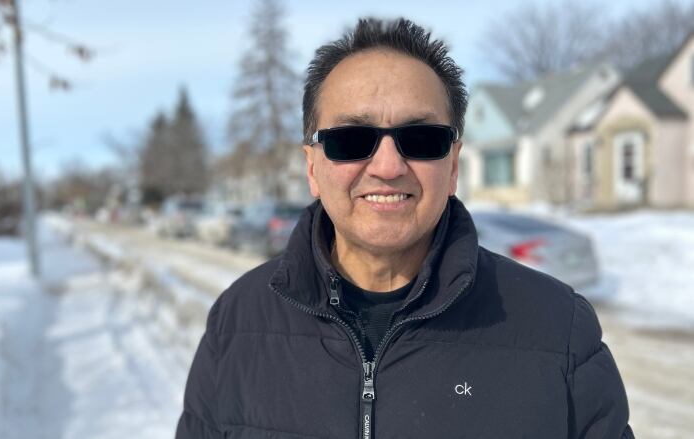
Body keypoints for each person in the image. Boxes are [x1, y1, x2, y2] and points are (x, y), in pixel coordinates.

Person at [176, 17, 633, 439]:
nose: (389, 166)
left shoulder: (558, 330)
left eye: (421, 139)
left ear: (452, 165)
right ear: (312, 167)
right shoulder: (235, 322)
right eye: (351, 140)